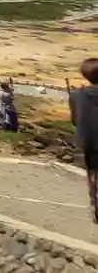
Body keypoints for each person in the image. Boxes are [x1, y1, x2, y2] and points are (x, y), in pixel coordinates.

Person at [70, 58, 98, 225]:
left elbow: (75, 120)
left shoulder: (76, 95)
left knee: (93, 175)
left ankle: (95, 207)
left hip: (90, 142)